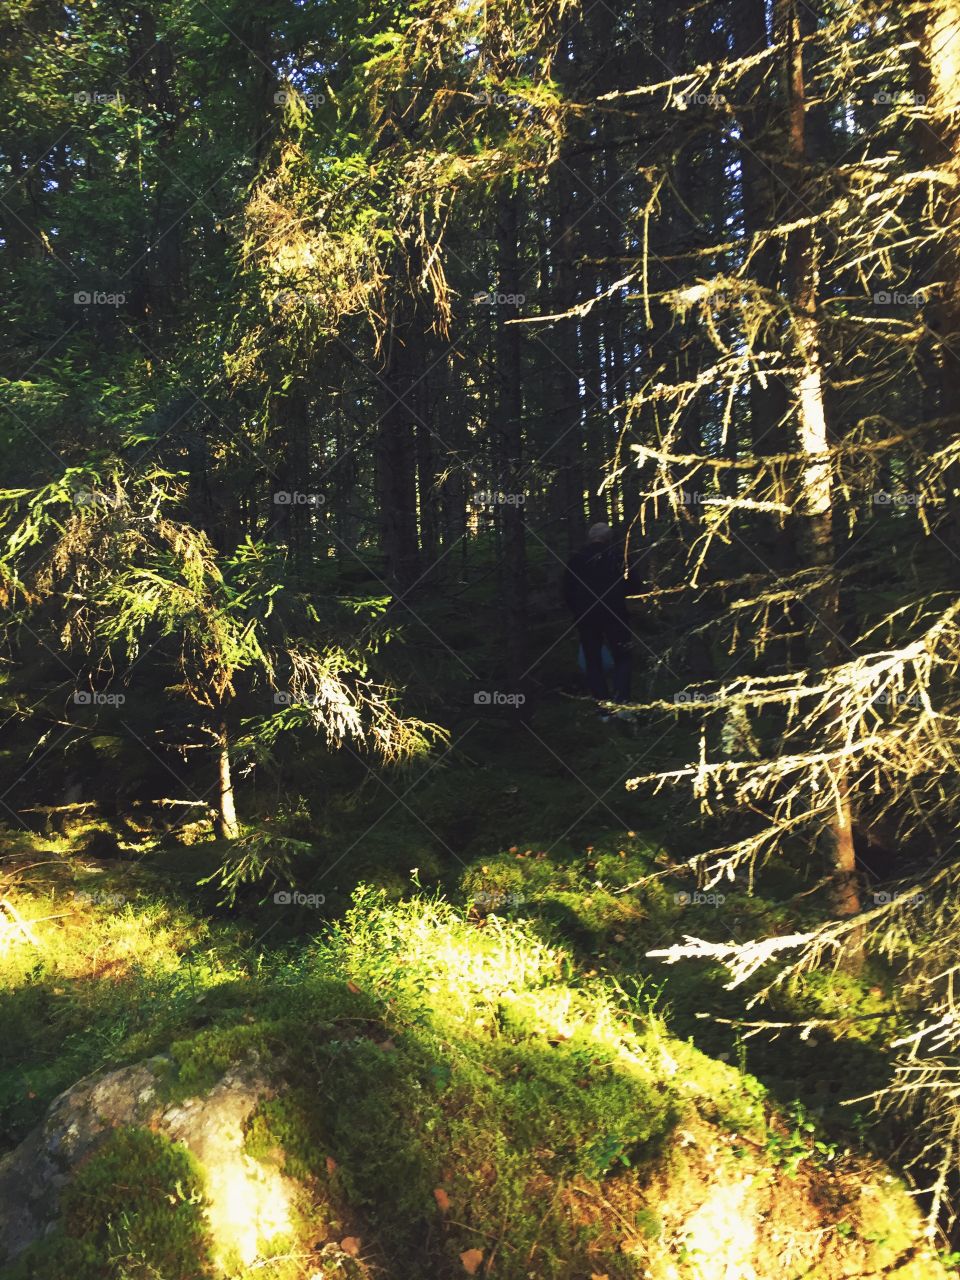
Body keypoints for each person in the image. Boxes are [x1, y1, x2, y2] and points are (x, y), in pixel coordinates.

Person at [562, 522, 632, 716]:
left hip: (587, 617)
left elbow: (567, 591)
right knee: (623, 657)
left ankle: (604, 710)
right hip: (616, 614)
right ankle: (622, 704)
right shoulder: (618, 557)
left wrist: (577, 611)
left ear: (590, 537)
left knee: (593, 661)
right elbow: (635, 585)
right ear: (609, 538)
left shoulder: (577, 559)